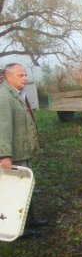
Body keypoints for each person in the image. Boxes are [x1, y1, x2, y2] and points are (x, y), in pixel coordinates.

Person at [0, 63, 48, 238]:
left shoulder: (18, 94)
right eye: (20, 76)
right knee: (17, 192)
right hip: (14, 154)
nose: (25, 78)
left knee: (27, 187)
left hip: (23, 150)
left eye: (25, 75)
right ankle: (21, 228)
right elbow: (2, 128)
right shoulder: (4, 97)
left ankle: (31, 219)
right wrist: (5, 156)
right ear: (8, 77)